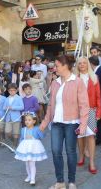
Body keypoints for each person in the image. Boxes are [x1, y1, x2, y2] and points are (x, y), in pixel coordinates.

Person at [39, 55, 89, 189]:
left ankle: (71, 181)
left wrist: (83, 124)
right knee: (55, 151)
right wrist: (44, 123)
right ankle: (60, 181)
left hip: (72, 123)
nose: (55, 68)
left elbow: (84, 105)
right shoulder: (55, 83)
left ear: (65, 66)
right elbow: (50, 105)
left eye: (57, 66)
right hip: (56, 123)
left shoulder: (77, 82)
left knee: (71, 151)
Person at [75, 57, 101, 174]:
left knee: (90, 136)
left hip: (91, 110)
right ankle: (81, 156)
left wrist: (99, 112)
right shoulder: (74, 78)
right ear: (77, 65)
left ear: (88, 64)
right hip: (77, 111)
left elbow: (98, 96)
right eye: (80, 63)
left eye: (84, 63)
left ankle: (91, 162)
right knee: (80, 136)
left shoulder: (94, 77)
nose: (82, 65)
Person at [14, 113, 47, 186]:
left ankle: (33, 178)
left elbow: (41, 137)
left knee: (32, 163)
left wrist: (41, 130)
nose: (27, 121)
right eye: (26, 120)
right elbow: (22, 139)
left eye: (29, 120)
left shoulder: (36, 129)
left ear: (34, 121)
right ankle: (29, 175)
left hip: (33, 148)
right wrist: (19, 148)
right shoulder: (23, 129)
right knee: (26, 163)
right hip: (25, 148)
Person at [3, 83, 24, 148]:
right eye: (10, 90)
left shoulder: (19, 98)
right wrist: (6, 108)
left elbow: (22, 107)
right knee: (7, 132)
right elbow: (4, 107)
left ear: (16, 90)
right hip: (8, 118)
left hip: (16, 118)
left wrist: (13, 107)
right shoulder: (7, 98)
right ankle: (14, 141)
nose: (12, 92)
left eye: (13, 90)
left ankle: (14, 145)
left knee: (16, 132)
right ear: (8, 91)